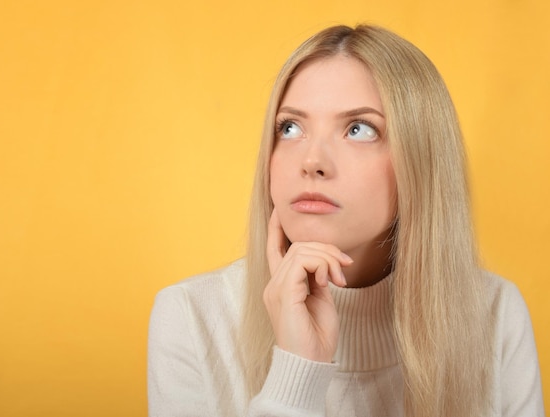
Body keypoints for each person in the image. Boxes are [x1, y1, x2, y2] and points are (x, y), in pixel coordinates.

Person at [147, 24, 545, 417]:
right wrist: (295, 376)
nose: (312, 161)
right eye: (290, 127)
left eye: (358, 129)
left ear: (421, 162)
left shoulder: (494, 315)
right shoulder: (191, 318)